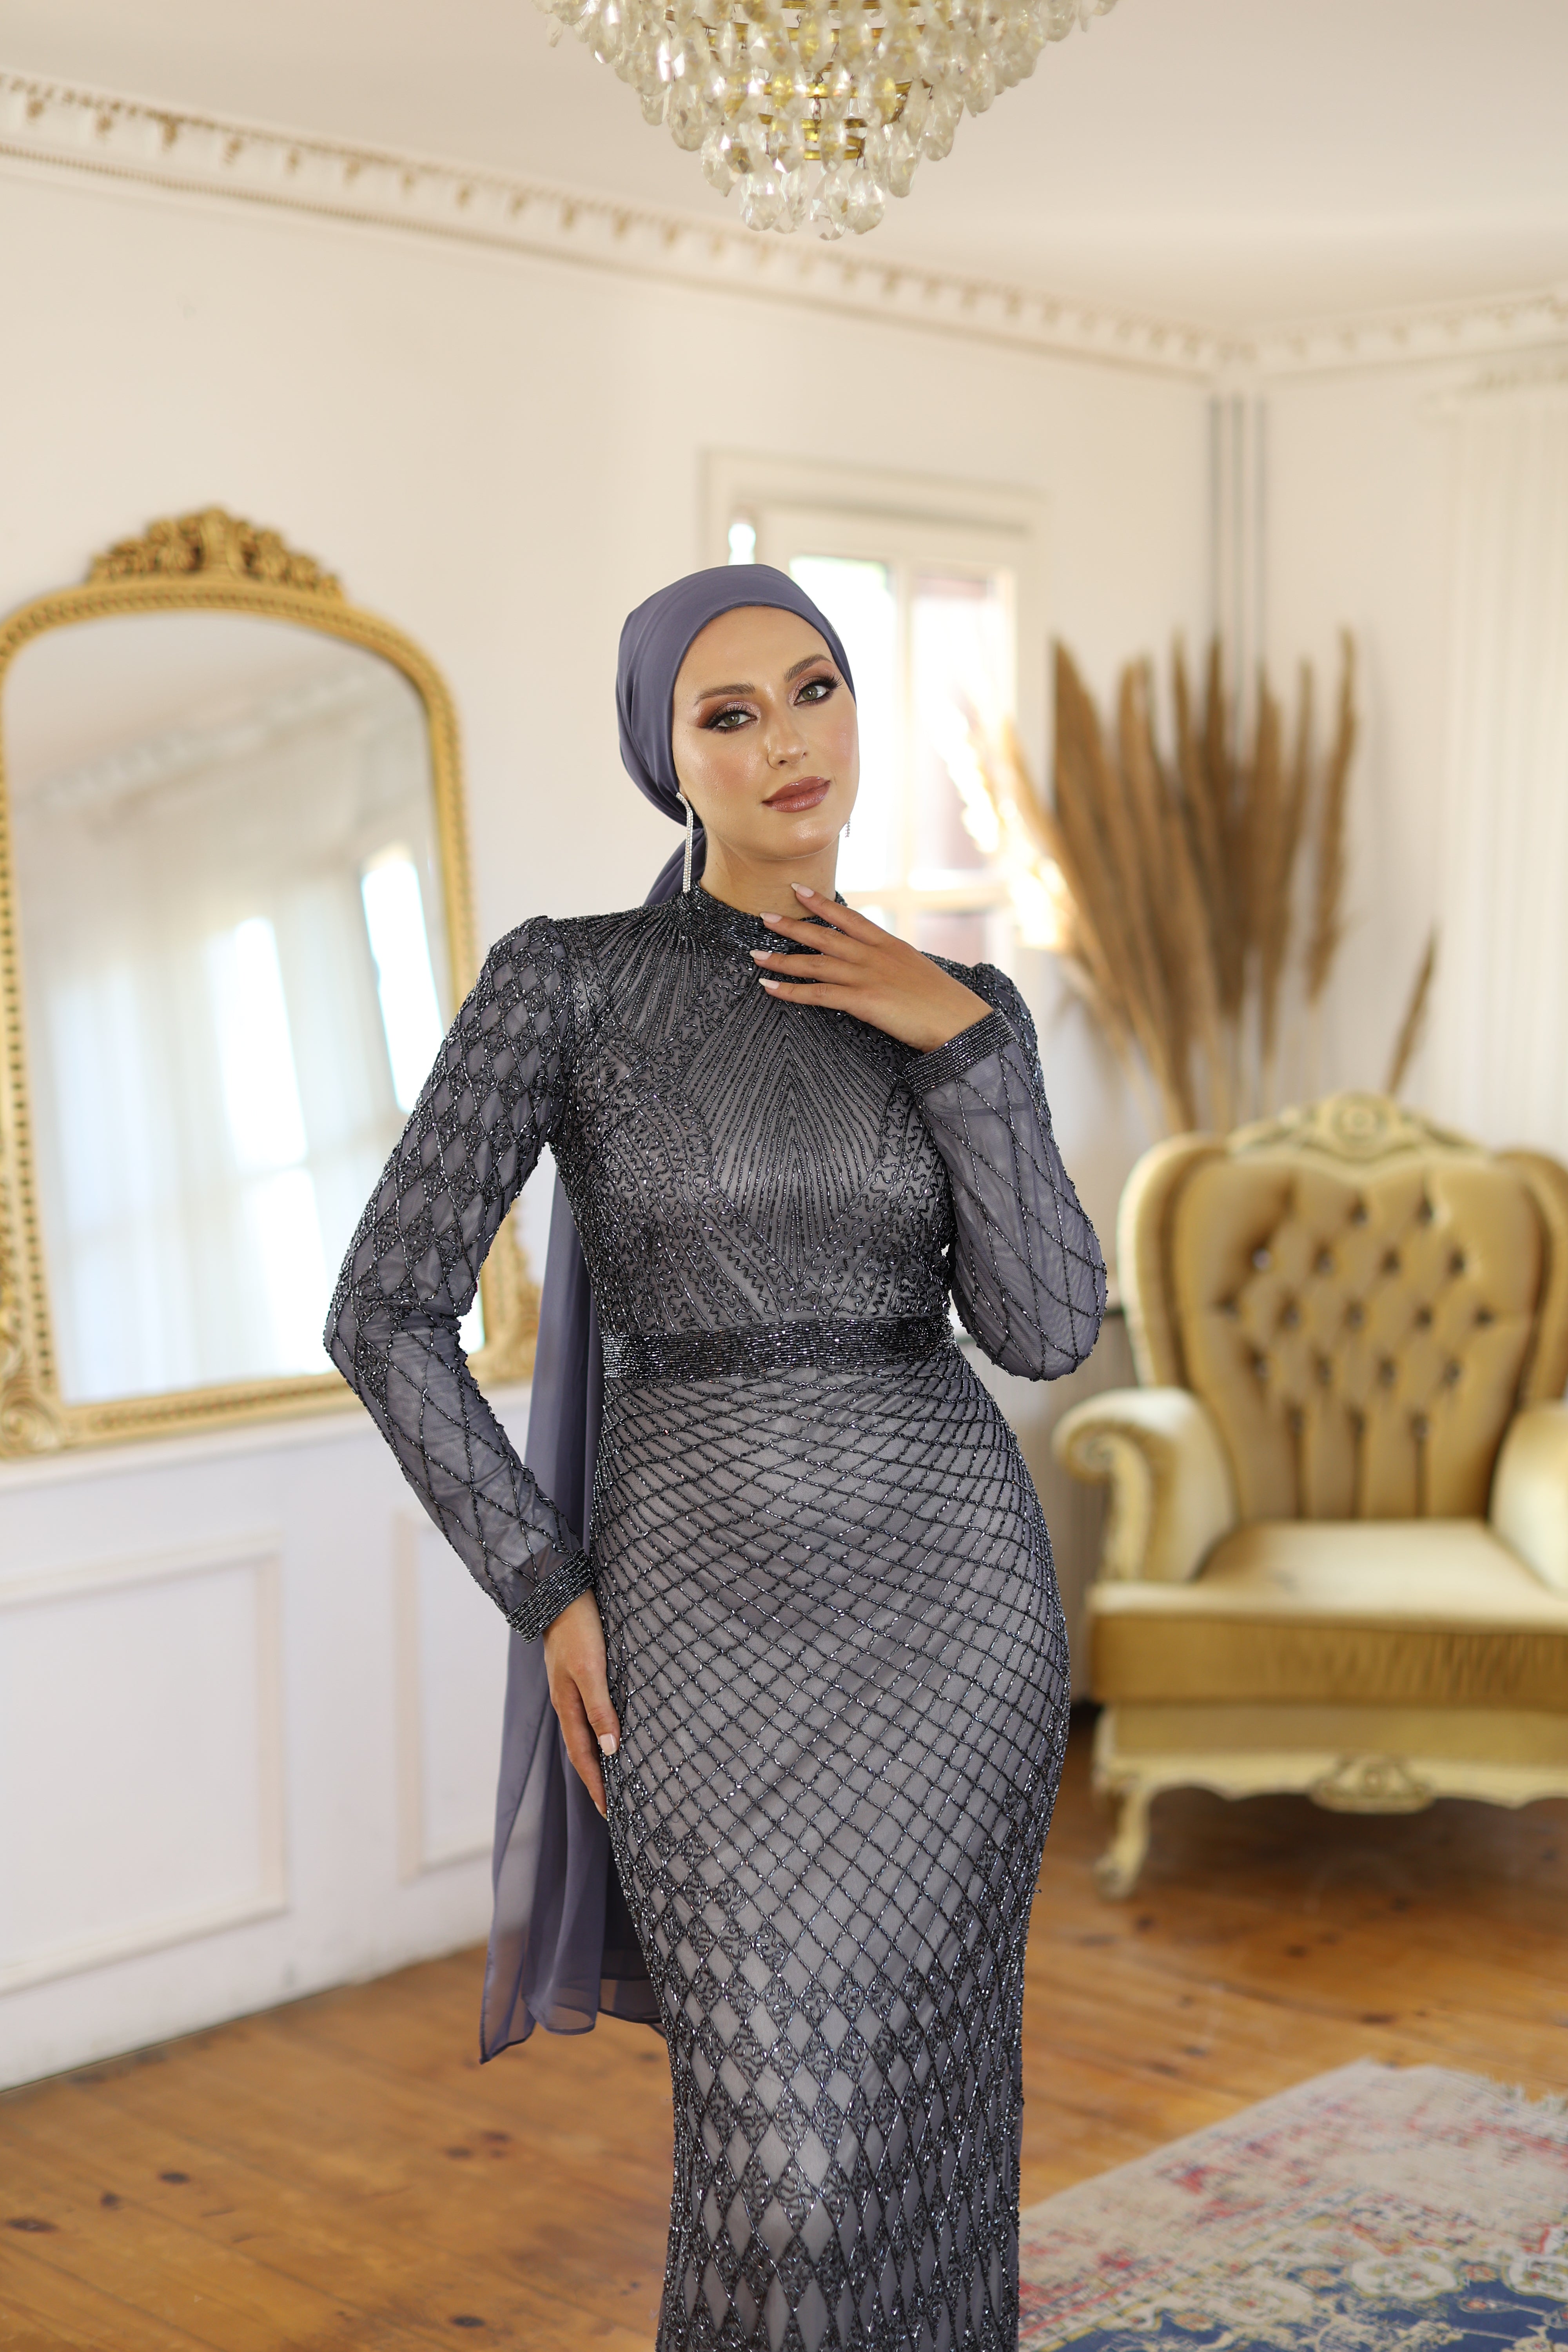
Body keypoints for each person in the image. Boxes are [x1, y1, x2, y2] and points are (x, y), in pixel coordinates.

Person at [327, 565, 1105, 2352]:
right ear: (665, 759)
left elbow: (1050, 1330)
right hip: (698, 1631)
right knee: (785, 2157)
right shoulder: (572, 984)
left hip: (954, 1621)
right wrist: (546, 1586)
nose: (785, 744)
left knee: (917, 2121)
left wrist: (965, 1048)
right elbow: (384, 1310)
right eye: (728, 716)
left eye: (815, 691)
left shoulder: (964, 1000)